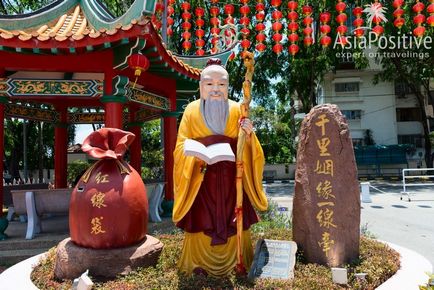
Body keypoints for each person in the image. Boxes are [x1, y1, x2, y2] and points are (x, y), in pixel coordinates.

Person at [173, 59, 268, 277]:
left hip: (230, 180)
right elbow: (179, 147)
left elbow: (250, 149)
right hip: (200, 179)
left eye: (221, 84)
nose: (216, 89)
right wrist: (194, 156)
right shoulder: (191, 110)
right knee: (200, 220)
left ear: (227, 86)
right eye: (209, 84)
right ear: (201, 87)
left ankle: (238, 261)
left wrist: (249, 133)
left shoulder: (237, 109)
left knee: (233, 219)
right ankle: (198, 264)